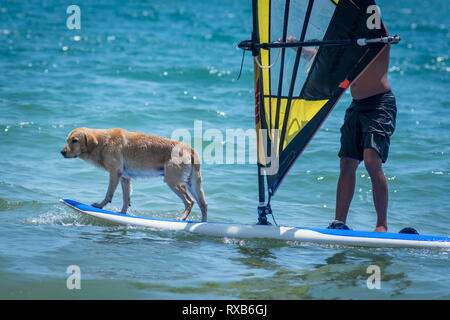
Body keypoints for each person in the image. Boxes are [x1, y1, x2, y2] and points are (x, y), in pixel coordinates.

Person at [284, 35, 396, 232]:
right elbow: (321, 58)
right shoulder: (351, 44)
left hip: (380, 105)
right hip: (357, 106)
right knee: (347, 163)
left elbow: (383, 37)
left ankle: (381, 225)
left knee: (371, 161)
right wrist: (295, 46)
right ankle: (339, 222)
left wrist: (383, 37)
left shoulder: (376, 42)